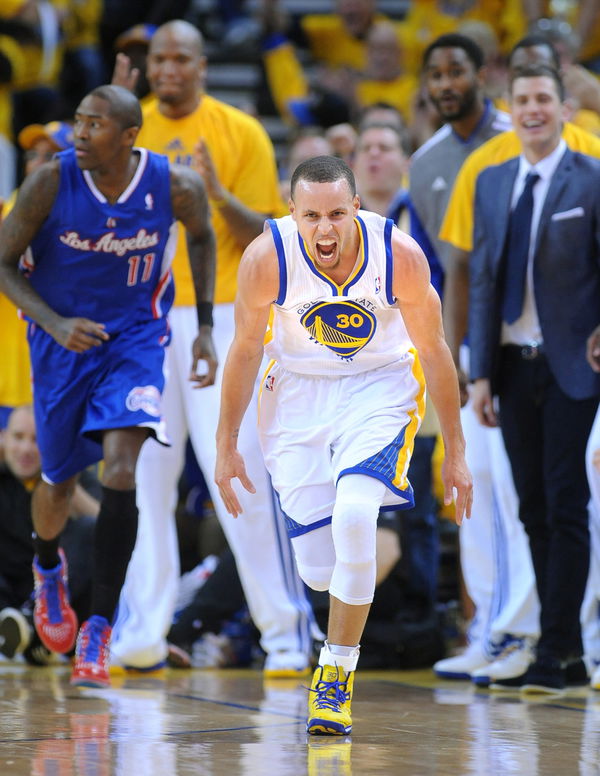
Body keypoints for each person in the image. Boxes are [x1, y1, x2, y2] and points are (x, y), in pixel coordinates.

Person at [215, 155, 472, 736]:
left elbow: (433, 352)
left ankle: (335, 674)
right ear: (292, 213)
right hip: (298, 393)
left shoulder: (398, 256)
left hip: (376, 385)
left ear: (356, 207)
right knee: (318, 571)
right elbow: (245, 351)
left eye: (336, 213)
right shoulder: (266, 259)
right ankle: (339, 618)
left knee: (357, 518)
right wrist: (226, 443)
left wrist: (455, 449)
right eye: (311, 215)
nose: (324, 228)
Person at [110, 19, 319, 677]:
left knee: (239, 475)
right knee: (143, 480)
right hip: (142, 320)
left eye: (180, 58)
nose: (167, 69)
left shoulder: (241, 131)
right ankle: (143, 633)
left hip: (225, 315)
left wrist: (217, 194)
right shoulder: (128, 126)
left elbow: (270, 235)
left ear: (201, 65)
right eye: (158, 59)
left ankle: (285, 632)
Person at [0, 83, 216, 688]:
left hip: (135, 339)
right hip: (61, 343)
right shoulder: (50, 180)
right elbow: (3, 260)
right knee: (58, 482)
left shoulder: (176, 185)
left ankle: (98, 627)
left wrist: (201, 327)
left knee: (123, 472)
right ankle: (48, 570)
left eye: (94, 124)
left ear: (129, 136)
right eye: (77, 120)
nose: (79, 133)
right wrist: (53, 321)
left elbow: (201, 237)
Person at [409, 33, 538, 687]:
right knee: (476, 491)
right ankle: (490, 628)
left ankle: (528, 629)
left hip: (532, 336)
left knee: (521, 491)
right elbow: (452, 268)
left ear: (481, 74)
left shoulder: (526, 134)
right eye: (435, 73)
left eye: (456, 70)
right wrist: (453, 353)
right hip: (471, 340)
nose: (446, 82)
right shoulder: (426, 162)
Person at [469, 63, 600, 694]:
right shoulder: (492, 183)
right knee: (533, 510)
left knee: (566, 501)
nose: (533, 109)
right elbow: (483, 279)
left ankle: (560, 648)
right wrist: (478, 373)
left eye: (543, 98)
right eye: (522, 100)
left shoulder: (593, 178)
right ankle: (560, 648)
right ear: (510, 109)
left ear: (564, 107)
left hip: (575, 366)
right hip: (510, 368)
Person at [0, 405, 97, 664]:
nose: (26, 449)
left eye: (37, 440)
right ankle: (19, 631)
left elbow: (106, 526)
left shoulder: (75, 477)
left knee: (90, 530)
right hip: (8, 599)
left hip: (63, 608)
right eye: (18, 437)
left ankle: (33, 628)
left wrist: (61, 477)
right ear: (4, 438)